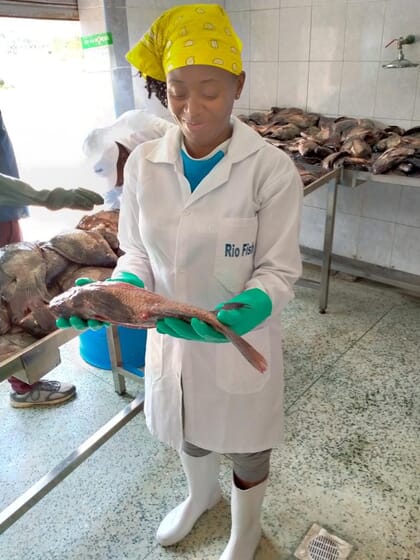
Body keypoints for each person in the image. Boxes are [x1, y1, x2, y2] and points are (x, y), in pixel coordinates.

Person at [57, 4, 303, 559]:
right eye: (177, 90)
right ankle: (200, 498)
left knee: (246, 443)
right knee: (187, 424)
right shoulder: (145, 164)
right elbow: (138, 252)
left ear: (238, 85)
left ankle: (245, 531)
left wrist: (249, 307)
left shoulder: (270, 169)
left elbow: (280, 269)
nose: (191, 108)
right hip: (169, 331)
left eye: (210, 90)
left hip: (241, 338)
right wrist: (116, 295)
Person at [0, 110, 104, 408]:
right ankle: (24, 383)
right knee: (18, 303)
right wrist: (48, 196)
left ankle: (24, 383)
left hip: (6, 214)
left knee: (24, 298)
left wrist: (48, 197)